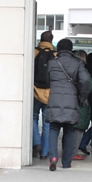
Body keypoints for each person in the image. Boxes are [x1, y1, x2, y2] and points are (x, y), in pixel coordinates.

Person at [45, 38, 91, 171]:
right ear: (71, 49)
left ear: (58, 49)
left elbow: (47, 80)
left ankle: (53, 157)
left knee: (53, 128)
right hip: (71, 100)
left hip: (54, 99)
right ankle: (66, 162)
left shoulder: (52, 63)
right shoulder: (77, 63)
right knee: (69, 130)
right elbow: (85, 81)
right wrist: (82, 97)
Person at [32, 31, 54, 160]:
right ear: (51, 41)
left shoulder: (34, 52)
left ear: (40, 39)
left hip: (35, 92)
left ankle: (36, 142)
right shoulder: (55, 55)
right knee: (47, 123)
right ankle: (45, 152)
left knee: (33, 117)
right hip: (49, 94)